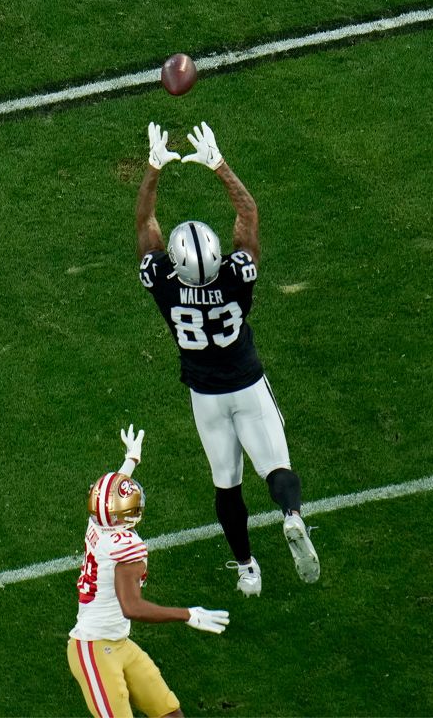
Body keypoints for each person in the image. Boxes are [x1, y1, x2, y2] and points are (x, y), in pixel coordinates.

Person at [134, 121, 320, 597]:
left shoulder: (164, 282)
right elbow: (249, 214)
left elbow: (144, 226)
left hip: (205, 395)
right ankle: (292, 516)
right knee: (276, 466)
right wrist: (219, 164)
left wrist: (153, 169)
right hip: (247, 384)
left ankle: (246, 569)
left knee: (227, 484)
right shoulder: (238, 274)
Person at [68, 424, 230, 718]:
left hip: (118, 641)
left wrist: (131, 460)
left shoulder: (96, 523)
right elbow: (132, 606)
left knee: (170, 713)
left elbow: (109, 499)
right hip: (92, 649)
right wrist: (188, 614)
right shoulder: (126, 548)